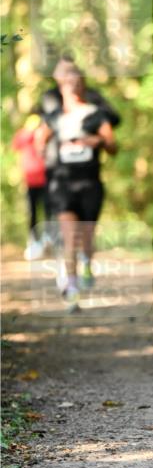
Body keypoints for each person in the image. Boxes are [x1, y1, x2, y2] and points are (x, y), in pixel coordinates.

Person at [35, 69, 118, 311]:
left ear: (83, 87)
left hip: (90, 183)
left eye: (76, 82)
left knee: (86, 236)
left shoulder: (96, 115)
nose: (71, 87)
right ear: (60, 87)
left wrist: (98, 141)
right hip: (63, 184)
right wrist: (51, 151)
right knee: (70, 237)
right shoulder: (54, 117)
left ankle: (87, 263)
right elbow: (39, 141)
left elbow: (113, 146)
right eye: (66, 83)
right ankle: (71, 288)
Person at [11, 113, 48, 260]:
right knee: (32, 213)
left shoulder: (44, 136)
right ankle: (33, 242)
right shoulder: (25, 136)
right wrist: (31, 131)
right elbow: (16, 144)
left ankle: (48, 240)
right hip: (31, 181)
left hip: (47, 181)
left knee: (49, 212)